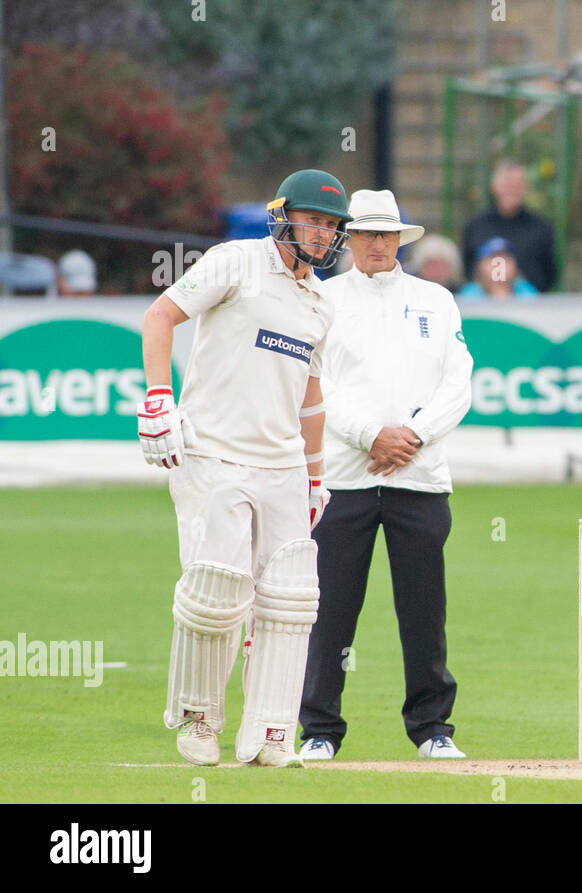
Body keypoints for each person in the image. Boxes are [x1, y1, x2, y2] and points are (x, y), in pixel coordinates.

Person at [138, 169, 351, 767]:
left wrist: (314, 476)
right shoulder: (235, 262)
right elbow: (160, 316)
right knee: (217, 592)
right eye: (314, 220)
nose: (323, 233)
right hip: (214, 452)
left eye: (332, 225)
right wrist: (159, 398)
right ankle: (201, 720)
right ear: (283, 216)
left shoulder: (320, 302)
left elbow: (310, 398)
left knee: (289, 599)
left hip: (282, 464)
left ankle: (273, 728)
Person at [298, 189, 473, 761]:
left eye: (386, 233)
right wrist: (371, 435)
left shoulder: (436, 300)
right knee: (330, 611)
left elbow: (458, 384)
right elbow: (317, 385)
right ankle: (319, 729)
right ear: (350, 239)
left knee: (424, 610)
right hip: (344, 476)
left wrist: (412, 437)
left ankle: (432, 729)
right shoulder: (321, 299)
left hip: (419, 476)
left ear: (400, 238)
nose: (377, 244)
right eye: (367, 234)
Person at [461, 160, 556, 292]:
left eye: (517, 185)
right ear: (494, 187)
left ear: (525, 188)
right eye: (507, 185)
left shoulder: (542, 228)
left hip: (530, 305)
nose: (511, 190)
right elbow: (467, 267)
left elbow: (549, 273)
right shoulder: (475, 226)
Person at [457, 237, 539, 300]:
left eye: (505, 258)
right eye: (493, 259)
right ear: (480, 266)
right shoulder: (468, 295)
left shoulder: (527, 291)